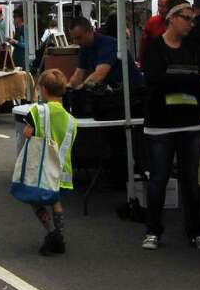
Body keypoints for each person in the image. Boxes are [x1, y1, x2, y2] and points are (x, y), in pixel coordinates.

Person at [139, 0, 200, 252]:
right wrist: (192, 78)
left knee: (191, 180)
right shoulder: (154, 48)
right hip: (160, 124)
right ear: (171, 18)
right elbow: (156, 81)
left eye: (193, 19)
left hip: (191, 122)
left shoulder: (194, 48)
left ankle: (196, 232)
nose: (191, 24)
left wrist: (182, 77)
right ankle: (152, 230)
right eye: (186, 18)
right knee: (158, 178)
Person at [18, 69, 77, 255]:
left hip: (41, 168)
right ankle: (59, 233)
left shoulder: (38, 111)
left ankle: (52, 233)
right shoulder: (70, 119)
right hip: (61, 168)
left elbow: (27, 133)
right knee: (55, 200)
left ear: (43, 89)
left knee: (34, 199)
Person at [68, 15, 140, 90]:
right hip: (116, 90)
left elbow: (99, 76)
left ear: (91, 31)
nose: (76, 42)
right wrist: (67, 88)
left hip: (133, 91)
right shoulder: (84, 48)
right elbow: (77, 76)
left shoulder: (108, 44)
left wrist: (81, 89)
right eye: (74, 39)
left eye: (79, 38)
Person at [139, 0, 173, 64]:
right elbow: (144, 44)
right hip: (155, 61)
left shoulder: (178, 22)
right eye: (159, 5)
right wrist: (141, 61)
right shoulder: (152, 21)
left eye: (163, 6)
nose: (160, 9)